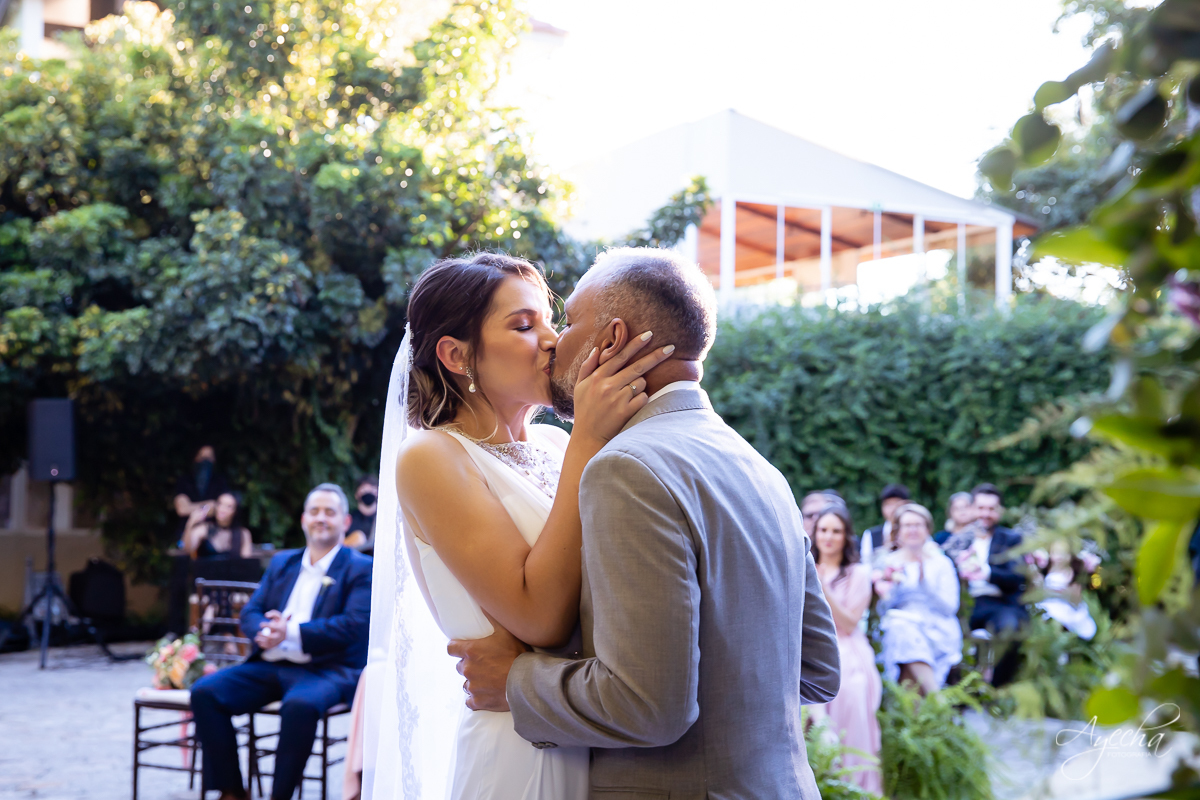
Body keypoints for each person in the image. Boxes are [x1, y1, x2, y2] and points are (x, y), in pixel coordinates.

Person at [445, 247, 841, 799]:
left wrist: (514, 682)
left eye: (570, 321)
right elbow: (818, 669)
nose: (557, 341)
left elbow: (649, 707)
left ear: (609, 340)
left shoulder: (626, 469)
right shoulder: (760, 468)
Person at [363, 252, 680, 800]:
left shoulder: (559, 446)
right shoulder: (432, 457)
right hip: (521, 754)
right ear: (457, 355)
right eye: (524, 325)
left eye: (550, 321)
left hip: (595, 732)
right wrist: (589, 438)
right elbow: (539, 617)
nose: (553, 340)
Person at [189, 483, 372, 800]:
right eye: (314, 511)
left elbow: (354, 626)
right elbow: (251, 611)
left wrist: (292, 632)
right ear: (303, 519)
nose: (321, 518)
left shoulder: (360, 568)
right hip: (270, 663)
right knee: (205, 692)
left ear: (345, 522)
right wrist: (264, 629)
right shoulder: (282, 563)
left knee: (300, 705)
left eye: (330, 512)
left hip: (326, 669)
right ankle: (232, 791)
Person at [809, 505, 882, 796]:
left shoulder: (858, 574)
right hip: (809, 645)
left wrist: (822, 587)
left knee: (851, 692)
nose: (828, 537)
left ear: (846, 536)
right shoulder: (803, 567)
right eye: (823, 530)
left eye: (836, 531)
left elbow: (850, 623)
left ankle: (855, 787)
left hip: (846, 647)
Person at [873, 503, 962, 695]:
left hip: (937, 626)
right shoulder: (888, 562)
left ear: (927, 529)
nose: (912, 530)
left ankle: (922, 711)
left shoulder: (941, 563)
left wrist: (925, 583)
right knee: (900, 628)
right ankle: (936, 701)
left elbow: (950, 608)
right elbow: (882, 609)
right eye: (907, 525)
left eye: (918, 525)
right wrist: (891, 588)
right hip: (901, 626)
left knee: (903, 640)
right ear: (898, 531)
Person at [1031, 540, 1097, 640]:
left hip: (1064, 606)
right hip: (1047, 604)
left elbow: (1073, 595)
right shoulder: (1045, 569)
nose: (1059, 557)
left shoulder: (1072, 573)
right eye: (1056, 552)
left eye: (1063, 553)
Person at [173, 445, 231, 534]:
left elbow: (222, 508)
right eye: (202, 456)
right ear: (195, 458)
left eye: (209, 457)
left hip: (215, 534)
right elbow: (182, 509)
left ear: (214, 459)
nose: (205, 461)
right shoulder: (184, 481)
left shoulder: (220, 481)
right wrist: (209, 506)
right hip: (186, 533)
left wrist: (191, 507)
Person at [183, 492, 253, 559]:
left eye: (228, 506)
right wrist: (190, 523)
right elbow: (188, 549)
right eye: (220, 504)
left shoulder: (243, 533)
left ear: (236, 511)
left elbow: (245, 563)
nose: (222, 509)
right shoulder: (204, 529)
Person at [861, 483, 911, 566]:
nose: (893, 508)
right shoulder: (871, 534)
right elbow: (866, 564)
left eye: (897, 503)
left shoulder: (916, 530)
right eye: (888, 504)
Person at [344, 477, 378, 552]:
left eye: (372, 489)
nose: (368, 492)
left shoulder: (383, 520)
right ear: (356, 494)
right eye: (364, 489)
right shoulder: (348, 519)